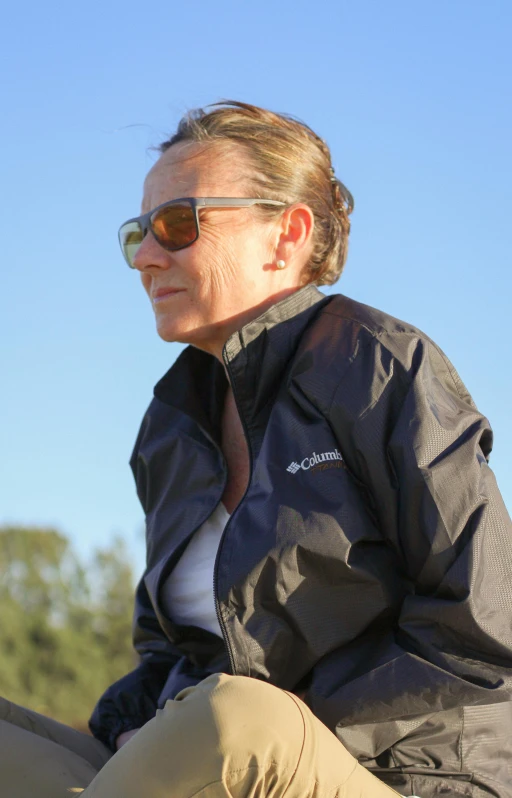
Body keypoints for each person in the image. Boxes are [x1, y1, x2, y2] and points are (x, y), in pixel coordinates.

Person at [1, 101, 511, 798]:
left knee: (235, 718)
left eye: (178, 224)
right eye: (136, 235)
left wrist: (256, 722)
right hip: (203, 751)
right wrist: (131, 727)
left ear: (286, 235)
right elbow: (168, 652)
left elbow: (481, 626)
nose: (147, 258)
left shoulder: (378, 367)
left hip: (406, 775)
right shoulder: (169, 426)